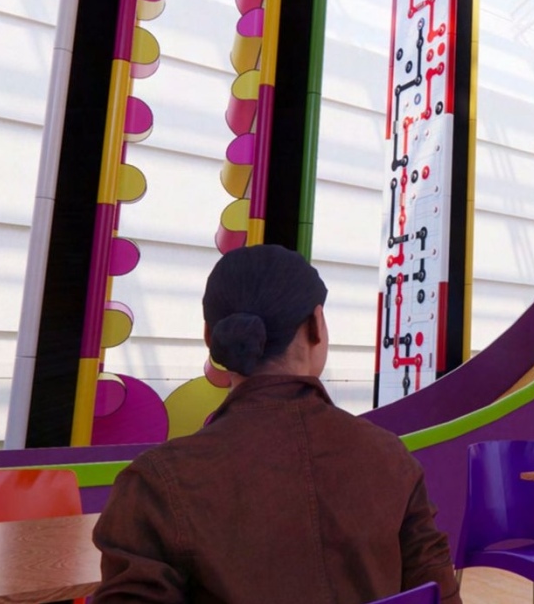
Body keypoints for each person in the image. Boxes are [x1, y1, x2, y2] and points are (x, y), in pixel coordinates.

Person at [93, 245, 461, 603]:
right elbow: (437, 590)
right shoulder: (389, 457)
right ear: (317, 325)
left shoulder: (155, 483)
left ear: (210, 338)